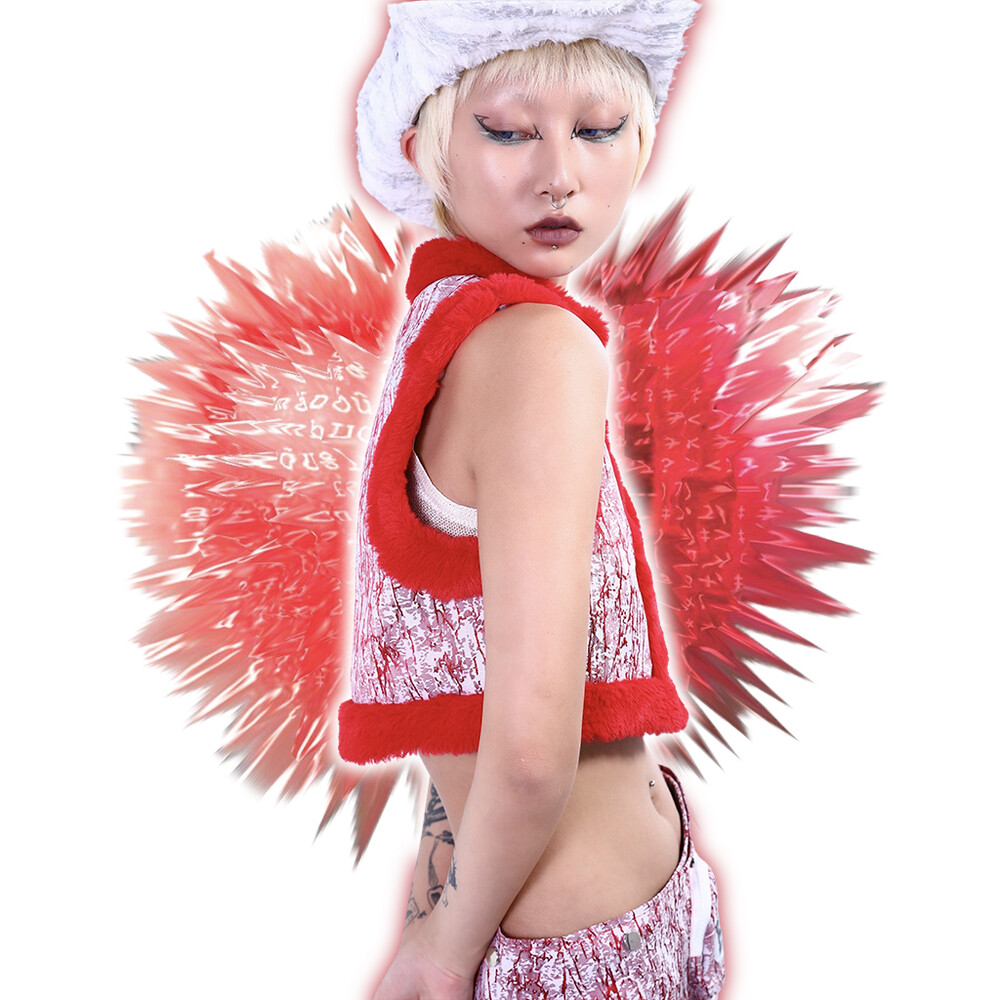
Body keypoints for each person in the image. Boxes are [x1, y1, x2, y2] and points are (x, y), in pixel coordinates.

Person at [336, 2, 725, 997]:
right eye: (509, 131)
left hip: (542, 918)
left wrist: (439, 908)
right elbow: (527, 752)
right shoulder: (537, 347)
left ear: (642, 141)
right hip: (584, 949)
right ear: (424, 147)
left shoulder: (440, 328)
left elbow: (458, 667)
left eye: (597, 129)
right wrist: (441, 952)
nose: (559, 173)